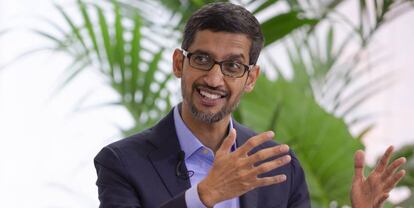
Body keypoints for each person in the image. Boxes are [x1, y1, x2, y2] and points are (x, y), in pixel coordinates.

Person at [94, 2, 406, 208]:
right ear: (179, 63)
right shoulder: (121, 162)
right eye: (202, 59)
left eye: (232, 66)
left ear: (251, 78)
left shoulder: (281, 166)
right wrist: (203, 196)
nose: (214, 79)